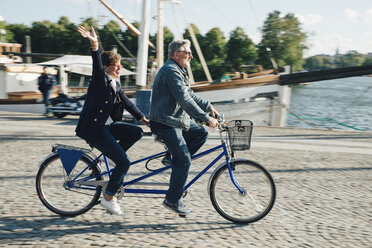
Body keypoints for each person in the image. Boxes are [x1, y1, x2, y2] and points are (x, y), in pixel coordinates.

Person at [75, 26, 150, 216]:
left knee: (136, 132)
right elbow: (96, 64)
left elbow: (127, 103)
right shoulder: (100, 79)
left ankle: (113, 155)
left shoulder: (115, 84)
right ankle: (108, 198)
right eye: (116, 64)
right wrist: (94, 44)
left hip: (107, 127)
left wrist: (144, 119)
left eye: (120, 64)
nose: (119, 67)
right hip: (95, 129)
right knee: (124, 163)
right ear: (107, 66)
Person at [150, 39, 219, 216]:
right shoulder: (170, 71)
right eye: (187, 52)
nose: (191, 56)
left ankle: (170, 158)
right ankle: (172, 199)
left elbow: (190, 95)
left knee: (200, 133)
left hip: (175, 121)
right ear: (176, 54)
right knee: (184, 160)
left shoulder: (178, 70)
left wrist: (208, 107)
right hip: (165, 122)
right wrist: (204, 118)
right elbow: (183, 98)